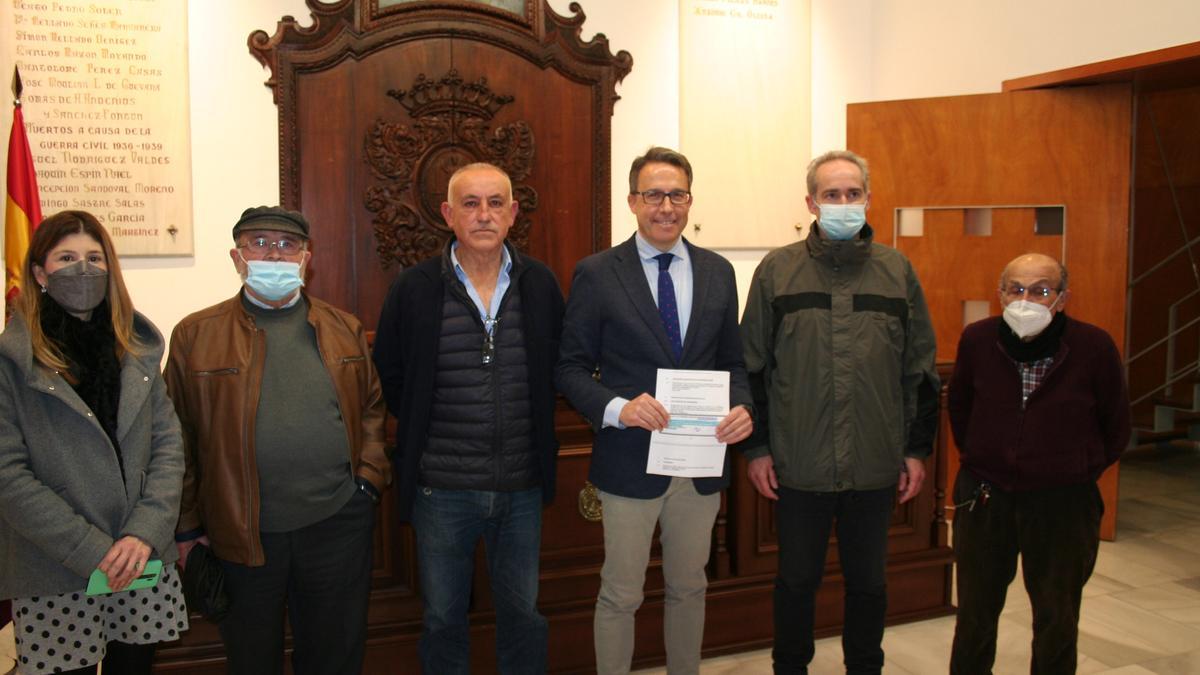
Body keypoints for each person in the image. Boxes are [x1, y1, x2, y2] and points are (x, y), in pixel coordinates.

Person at [739, 150, 940, 675]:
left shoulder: (897, 271)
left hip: (875, 466)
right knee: (796, 582)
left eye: (853, 194)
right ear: (811, 201)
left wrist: (916, 451)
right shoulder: (777, 271)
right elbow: (752, 367)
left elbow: (919, 370)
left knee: (870, 585)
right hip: (798, 465)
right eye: (832, 194)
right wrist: (757, 449)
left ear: (868, 199)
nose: (844, 203)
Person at [165, 206, 389, 675]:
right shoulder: (195, 334)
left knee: (334, 657)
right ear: (237, 257)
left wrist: (366, 481)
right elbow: (176, 438)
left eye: (288, 245)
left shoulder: (343, 328)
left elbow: (371, 410)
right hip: (241, 531)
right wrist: (187, 529)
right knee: (252, 660)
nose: (274, 253)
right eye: (260, 243)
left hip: (335, 526)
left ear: (307, 258)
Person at [556, 147, 753, 675]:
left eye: (677, 194)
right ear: (632, 201)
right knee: (621, 593)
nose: (666, 206)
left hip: (698, 463)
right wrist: (619, 407)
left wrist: (743, 408)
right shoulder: (597, 274)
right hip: (628, 462)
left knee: (690, 586)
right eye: (653, 195)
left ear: (690, 200)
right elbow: (569, 368)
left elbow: (733, 362)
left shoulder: (717, 272)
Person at [372, 162, 564, 674]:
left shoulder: (540, 284)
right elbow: (389, 374)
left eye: (496, 203)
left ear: (513, 213)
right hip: (443, 488)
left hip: (521, 486)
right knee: (442, 618)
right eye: (471, 203)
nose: (484, 214)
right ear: (448, 214)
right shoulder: (414, 288)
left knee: (524, 615)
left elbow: (558, 368)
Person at [0, 211, 187, 674]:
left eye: (94, 258)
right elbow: (8, 475)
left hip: (139, 557)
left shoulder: (137, 350)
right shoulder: (11, 362)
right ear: (40, 274)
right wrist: (92, 550)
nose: (83, 269)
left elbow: (168, 449)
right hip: (55, 564)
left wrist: (143, 532)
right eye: (66, 257)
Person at [948, 253, 1130, 674]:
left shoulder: (1093, 346)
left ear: (1062, 298)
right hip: (985, 497)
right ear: (1001, 294)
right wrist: (983, 456)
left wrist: (1074, 469)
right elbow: (960, 408)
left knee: (1057, 616)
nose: (1026, 299)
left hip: (1062, 504)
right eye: (1016, 289)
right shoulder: (978, 339)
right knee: (975, 614)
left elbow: (1115, 425)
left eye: (1041, 290)